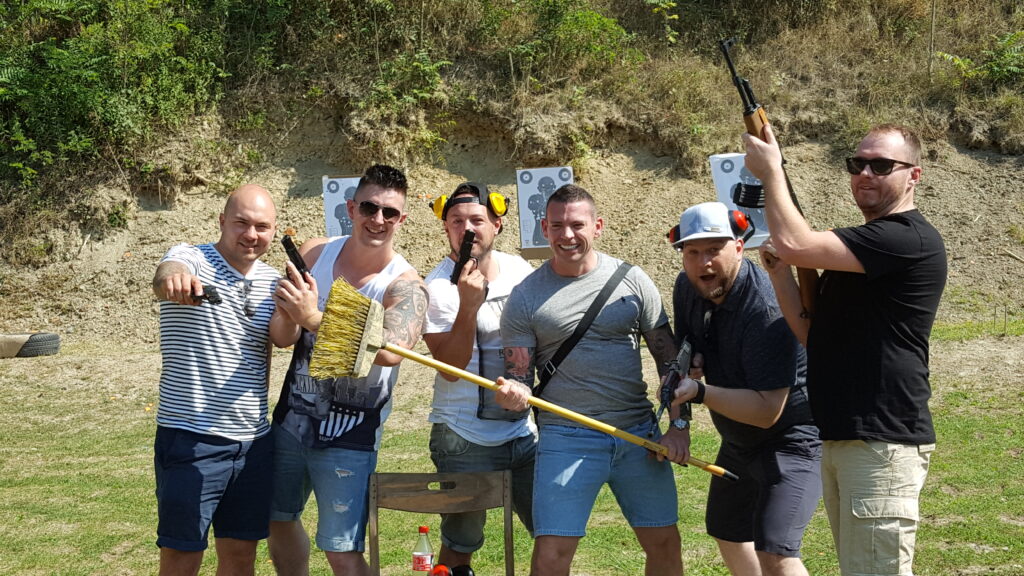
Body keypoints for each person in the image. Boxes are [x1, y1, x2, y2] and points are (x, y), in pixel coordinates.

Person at [743, 124, 947, 576]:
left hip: (880, 439)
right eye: (858, 164)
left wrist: (772, 171)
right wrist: (780, 274)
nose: (866, 174)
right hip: (843, 437)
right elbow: (813, 335)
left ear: (914, 175)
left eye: (881, 165)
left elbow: (798, 243)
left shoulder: (903, 238)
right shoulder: (864, 245)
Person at [494, 184, 687, 576]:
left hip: (639, 435)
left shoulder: (633, 280)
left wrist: (678, 426)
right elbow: (520, 378)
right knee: (552, 554)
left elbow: (671, 365)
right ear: (544, 228)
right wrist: (515, 395)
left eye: (577, 225)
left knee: (665, 542)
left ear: (597, 226)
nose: (567, 235)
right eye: (557, 226)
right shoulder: (525, 298)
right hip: (568, 438)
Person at [266, 164, 429, 576]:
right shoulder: (316, 252)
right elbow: (284, 337)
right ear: (351, 208)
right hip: (291, 422)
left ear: (401, 220)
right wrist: (291, 309)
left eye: (389, 213)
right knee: (278, 519)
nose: (378, 220)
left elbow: (391, 352)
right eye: (370, 208)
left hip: (349, 434)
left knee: (341, 550)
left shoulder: (406, 284)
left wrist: (314, 317)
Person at [668, 201, 821, 576]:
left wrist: (700, 393)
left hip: (791, 440)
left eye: (714, 250)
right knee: (728, 531)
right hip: (738, 440)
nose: (704, 262)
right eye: (693, 252)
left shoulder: (767, 312)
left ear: (739, 246)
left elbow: (769, 411)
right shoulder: (687, 289)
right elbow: (684, 360)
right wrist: (680, 423)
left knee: (776, 551)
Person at [151, 183, 281, 576]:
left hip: (254, 441)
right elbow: (166, 275)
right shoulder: (191, 257)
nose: (251, 234)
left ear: (274, 231)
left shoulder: (274, 280)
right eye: (241, 223)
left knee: (241, 556)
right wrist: (174, 281)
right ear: (222, 221)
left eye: (262, 226)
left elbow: (275, 346)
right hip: (192, 438)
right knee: (182, 556)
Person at [422, 182, 538, 568]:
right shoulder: (437, 287)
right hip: (463, 438)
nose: (467, 228)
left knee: (553, 530)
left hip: (523, 433)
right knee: (461, 543)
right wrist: (468, 306)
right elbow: (451, 370)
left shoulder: (522, 271)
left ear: (497, 225)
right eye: (456, 221)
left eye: (477, 219)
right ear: (446, 229)